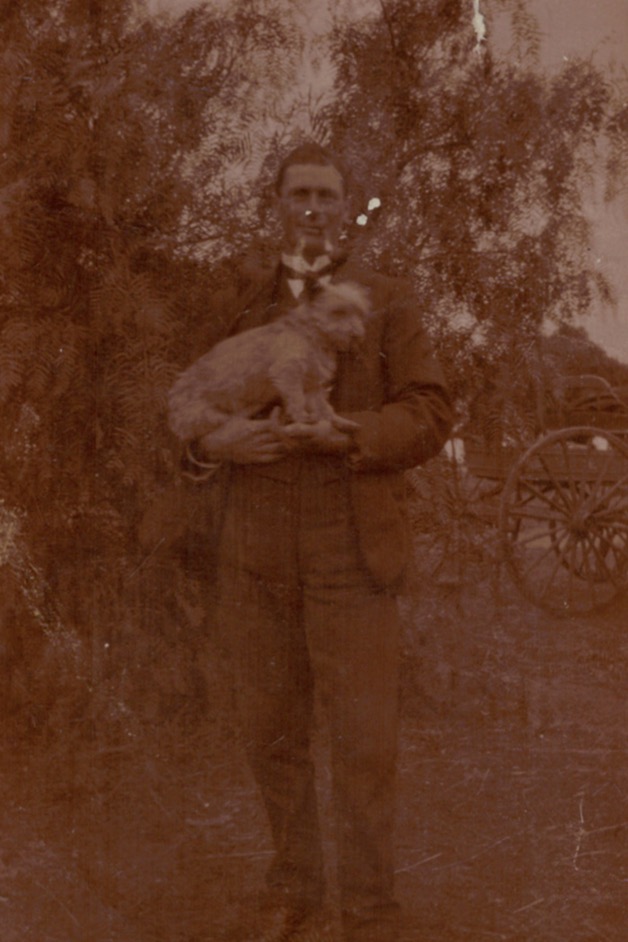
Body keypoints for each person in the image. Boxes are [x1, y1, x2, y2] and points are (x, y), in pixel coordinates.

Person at [171, 143, 453, 942]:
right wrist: (214, 444)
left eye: (328, 196)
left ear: (346, 209)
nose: (313, 209)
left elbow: (431, 410)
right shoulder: (235, 298)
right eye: (298, 193)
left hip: (349, 546)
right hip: (252, 543)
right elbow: (189, 401)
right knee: (270, 730)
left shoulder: (387, 300)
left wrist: (352, 433)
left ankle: (369, 912)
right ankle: (293, 888)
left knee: (363, 740)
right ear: (276, 205)